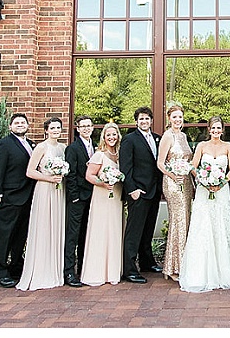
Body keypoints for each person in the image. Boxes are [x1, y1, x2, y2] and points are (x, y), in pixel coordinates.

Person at [179, 116, 230, 292]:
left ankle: (224, 270)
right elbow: (193, 167)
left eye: (219, 128)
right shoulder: (202, 146)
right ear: (209, 130)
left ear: (222, 130)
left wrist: (221, 183)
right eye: (213, 128)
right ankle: (201, 273)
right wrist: (204, 180)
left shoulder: (228, 147)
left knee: (221, 227)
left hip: (222, 191)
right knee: (204, 228)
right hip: (204, 191)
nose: (216, 131)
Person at [16, 117, 67, 291]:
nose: (55, 130)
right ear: (46, 130)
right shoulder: (40, 147)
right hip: (44, 190)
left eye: (58, 128)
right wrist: (48, 178)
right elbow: (30, 171)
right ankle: (41, 269)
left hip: (59, 190)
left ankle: (55, 270)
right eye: (52, 128)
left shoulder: (62, 148)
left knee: (57, 227)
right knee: (44, 227)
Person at [0, 113, 36, 288]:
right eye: (16, 123)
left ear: (28, 125)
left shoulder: (31, 144)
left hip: (27, 197)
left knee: (20, 236)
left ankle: (16, 266)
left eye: (23, 122)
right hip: (8, 197)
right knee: (4, 237)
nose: (20, 125)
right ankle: (1, 272)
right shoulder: (3, 144)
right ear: (10, 126)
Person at [119, 106, 163, 284]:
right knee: (134, 231)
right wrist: (132, 190)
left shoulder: (157, 138)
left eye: (147, 119)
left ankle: (147, 262)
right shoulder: (130, 140)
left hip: (153, 192)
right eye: (141, 119)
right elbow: (125, 167)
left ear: (151, 121)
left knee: (148, 230)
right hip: (138, 192)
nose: (144, 122)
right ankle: (129, 269)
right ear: (136, 121)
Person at [81, 122, 125, 286]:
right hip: (102, 197)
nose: (112, 137)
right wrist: (103, 183)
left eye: (114, 134)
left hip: (116, 197)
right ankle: (97, 272)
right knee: (102, 232)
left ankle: (113, 271)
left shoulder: (120, 154)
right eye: (108, 135)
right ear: (104, 137)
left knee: (114, 231)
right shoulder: (99, 154)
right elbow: (89, 175)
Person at [156, 104, 194, 281]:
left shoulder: (184, 136)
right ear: (169, 118)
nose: (178, 120)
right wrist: (173, 175)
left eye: (180, 117)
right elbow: (160, 163)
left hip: (186, 183)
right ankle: (173, 267)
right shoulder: (167, 137)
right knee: (178, 222)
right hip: (172, 183)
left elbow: (190, 160)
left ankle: (185, 263)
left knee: (186, 221)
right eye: (175, 117)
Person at [63, 115, 95, 287]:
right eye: (83, 126)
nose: (86, 129)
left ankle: (83, 269)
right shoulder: (73, 148)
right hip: (78, 198)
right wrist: (74, 197)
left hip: (92, 198)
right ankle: (68, 272)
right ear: (77, 128)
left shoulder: (95, 147)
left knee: (85, 234)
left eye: (88, 126)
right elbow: (71, 174)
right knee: (72, 236)